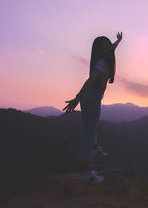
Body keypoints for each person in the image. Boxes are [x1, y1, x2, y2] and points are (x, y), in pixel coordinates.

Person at [63, 32, 123, 184]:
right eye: (104, 48)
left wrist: (118, 40)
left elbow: (113, 49)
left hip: (94, 97)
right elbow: (90, 81)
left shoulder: (107, 56)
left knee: (92, 126)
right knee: (89, 133)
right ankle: (86, 172)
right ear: (99, 51)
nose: (109, 49)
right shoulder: (101, 64)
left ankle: (95, 148)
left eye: (109, 46)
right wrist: (78, 97)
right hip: (90, 98)